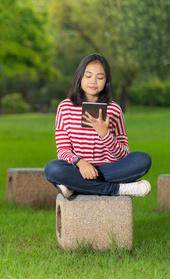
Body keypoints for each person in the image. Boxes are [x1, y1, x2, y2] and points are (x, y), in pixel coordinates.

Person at [44, 53, 152, 199]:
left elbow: (124, 154)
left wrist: (105, 135)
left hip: (109, 170)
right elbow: (63, 150)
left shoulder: (114, 110)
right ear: (79, 78)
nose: (93, 81)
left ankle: (76, 187)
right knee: (52, 169)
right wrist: (80, 163)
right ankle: (117, 189)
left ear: (106, 80)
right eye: (88, 76)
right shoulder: (65, 107)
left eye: (99, 77)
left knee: (142, 159)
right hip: (78, 169)